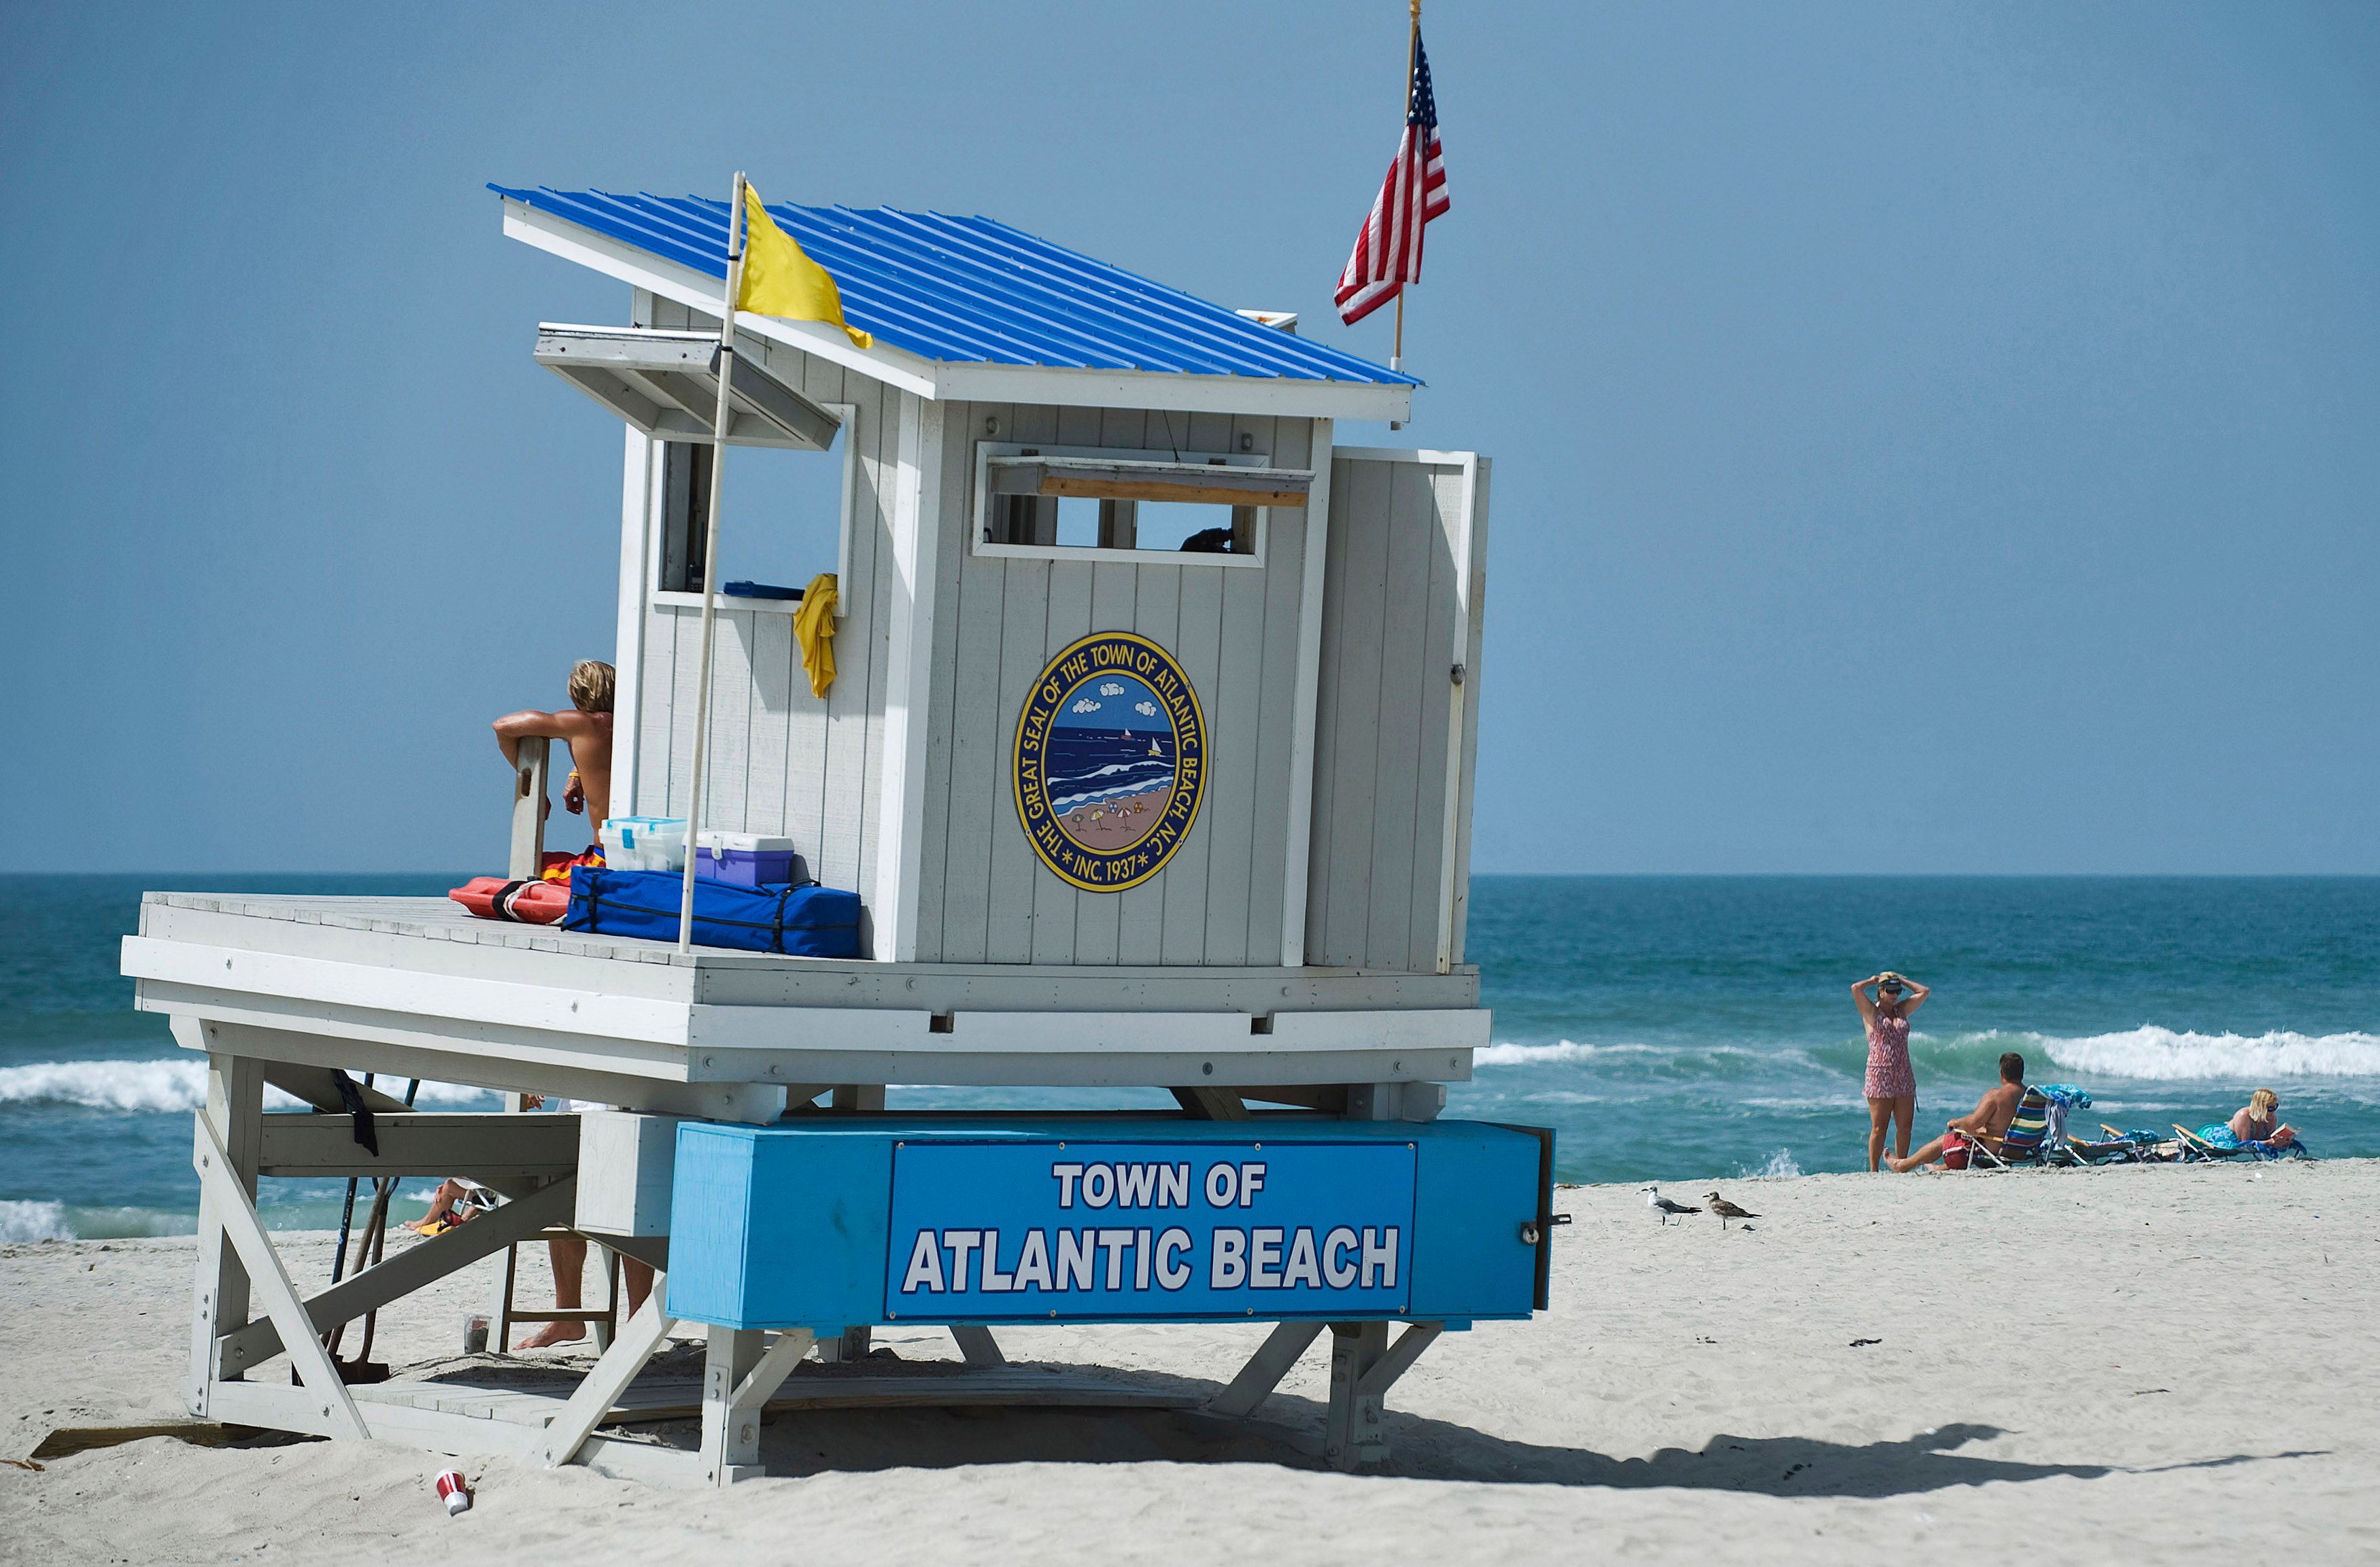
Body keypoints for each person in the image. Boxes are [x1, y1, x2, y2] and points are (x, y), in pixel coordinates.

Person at [492, 660, 616, 874]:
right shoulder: (633, 724)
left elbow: (502, 727)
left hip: (606, 861)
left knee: (531, 867)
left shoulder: (581, 724)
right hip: (638, 854)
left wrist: (536, 791)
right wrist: (576, 772)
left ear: (578, 694)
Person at [1886, 1051, 2027, 1172]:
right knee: (1965, 1143)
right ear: (2021, 1073)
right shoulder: (2031, 1095)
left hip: (1994, 1151)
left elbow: (1973, 1123)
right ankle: (1938, 1169)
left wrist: (1957, 1122)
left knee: (1947, 1141)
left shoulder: (1996, 1096)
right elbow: (2005, 1123)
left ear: (2002, 1074)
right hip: (2019, 1150)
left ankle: (1903, 1165)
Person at [1854, 970, 1929, 1171]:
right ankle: (1874, 1170)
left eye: (1898, 990)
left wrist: (1902, 979)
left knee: (1905, 1127)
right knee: (1880, 1128)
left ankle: (1901, 1165)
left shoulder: (1901, 1010)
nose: (1896, 994)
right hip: (1880, 1075)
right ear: (1881, 991)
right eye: (1891, 990)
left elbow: (1924, 991)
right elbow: (1855, 989)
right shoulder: (1871, 1012)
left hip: (1904, 1073)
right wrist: (1872, 980)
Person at [2229, 1088, 2298, 1149]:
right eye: (2270, 1108)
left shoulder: (2272, 1118)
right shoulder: (2244, 1116)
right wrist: (2269, 1143)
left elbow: (2270, 1139)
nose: (2273, 1111)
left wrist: (2283, 1141)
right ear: (2259, 1107)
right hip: (2228, 1138)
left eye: (2275, 1106)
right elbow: (2244, 1144)